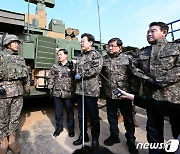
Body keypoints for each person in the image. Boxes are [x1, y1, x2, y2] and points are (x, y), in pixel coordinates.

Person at [131, 22, 180, 154]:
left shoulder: (176, 48)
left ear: (164, 32)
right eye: (148, 31)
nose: (149, 33)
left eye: (153, 31)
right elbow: (133, 68)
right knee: (153, 131)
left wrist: (159, 82)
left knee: (177, 131)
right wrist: (146, 80)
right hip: (152, 99)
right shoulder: (143, 52)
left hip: (173, 99)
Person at [101, 38, 138, 154]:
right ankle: (114, 136)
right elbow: (100, 75)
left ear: (120, 47)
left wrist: (133, 92)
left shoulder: (128, 58)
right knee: (111, 117)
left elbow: (135, 76)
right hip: (110, 94)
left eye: (112, 46)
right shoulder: (104, 59)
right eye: (108, 46)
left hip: (124, 95)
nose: (110, 48)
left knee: (128, 118)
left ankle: (131, 140)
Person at [0, 34, 30, 154]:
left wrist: (26, 88)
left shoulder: (20, 59)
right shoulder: (1, 56)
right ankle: (3, 141)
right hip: (4, 93)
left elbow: (26, 76)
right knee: (2, 118)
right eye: (15, 42)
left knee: (15, 118)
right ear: (8, 43)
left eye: (18, 42)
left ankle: (12, 140)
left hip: (18, 93)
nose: (17, 44)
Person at [73, 33, 103, 147]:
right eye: (80, 41)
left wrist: (82, 75)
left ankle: (95, 138)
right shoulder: (79, 56)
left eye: (83, 41)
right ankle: (83, 136)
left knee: (94, 116)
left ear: (90, 42)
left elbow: (96, 69)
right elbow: (76, 70)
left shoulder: (96, 55)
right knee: (81, 115)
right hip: (80, 90)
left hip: (91, 90)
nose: (81, 43)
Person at [48, 49, 75, 138]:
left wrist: (73, 68)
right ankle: (59, 128)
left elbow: (77, 76)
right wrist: (50, 87)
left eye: (61, 54)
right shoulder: (55, 66)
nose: (59, 56)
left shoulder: (72, 66)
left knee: (69, 112)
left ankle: (71, 129)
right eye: (58, 55)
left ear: (66, 55)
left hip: (68, 93)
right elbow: (51, 77)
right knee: (58, 112)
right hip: (57, 93)